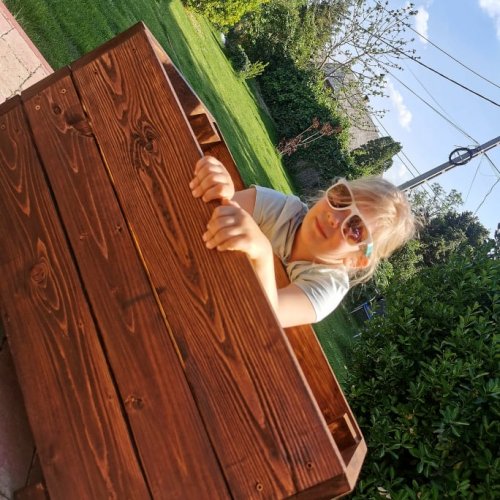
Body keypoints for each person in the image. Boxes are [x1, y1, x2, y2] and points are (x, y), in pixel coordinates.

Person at [190, 155, 416, 328]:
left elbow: (266, 317)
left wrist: (263, 253)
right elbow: (207, 215)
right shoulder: (285, 209)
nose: (335, 217)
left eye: (356, 229)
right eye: (341, 198)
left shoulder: (328, 287)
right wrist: (220, 190)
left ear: (356, 260)